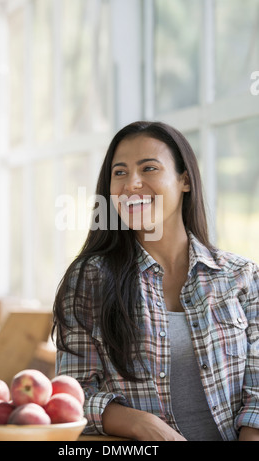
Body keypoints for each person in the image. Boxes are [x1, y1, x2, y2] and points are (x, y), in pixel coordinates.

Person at [52, 121, 259, 441]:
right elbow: (72, 396)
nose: (132, 183)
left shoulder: (241, 276)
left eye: (149, 168)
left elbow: (257, 393)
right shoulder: (89, 279)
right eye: (119, 172)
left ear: (185, 180)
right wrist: (140, 423)